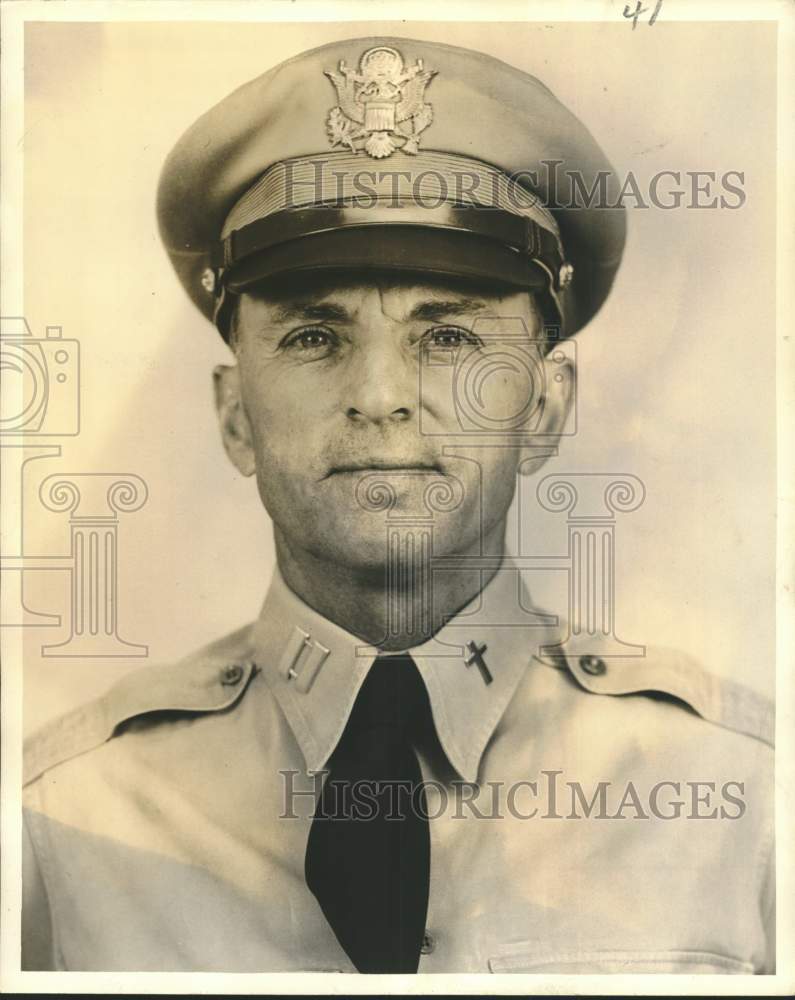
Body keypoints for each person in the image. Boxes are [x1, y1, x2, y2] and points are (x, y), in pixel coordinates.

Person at [22, 36, 774, 974]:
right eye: (310, 336)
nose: (380, 392)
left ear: (544, 410)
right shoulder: (63, 818)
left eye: (450, 334)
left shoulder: (741, 797)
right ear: (235, 417)